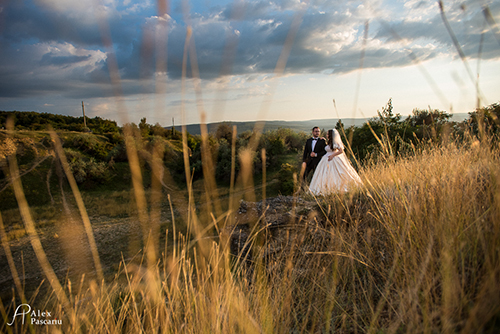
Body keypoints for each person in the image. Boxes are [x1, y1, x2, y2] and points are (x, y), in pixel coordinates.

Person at [309, 129, 362, 195]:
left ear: (331, 135)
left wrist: (332, 155)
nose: (326, 135)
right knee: (324, 173)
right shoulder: (329, 142)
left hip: (334, 159)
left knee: (337, 172)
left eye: (328, 134)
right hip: (325, 160)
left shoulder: (336, 142)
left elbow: (341, 150)